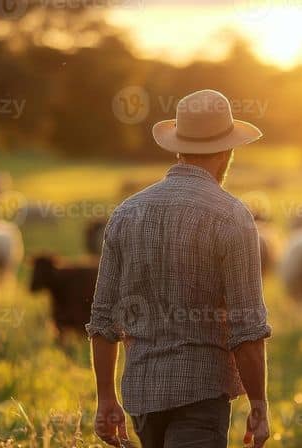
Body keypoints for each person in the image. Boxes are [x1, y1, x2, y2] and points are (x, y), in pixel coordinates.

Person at [87, 89, 272, 448]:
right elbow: (247, 329)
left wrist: (106, 398)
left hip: (141, 397)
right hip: (201, 395)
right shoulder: (232, 217)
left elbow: (103, 318)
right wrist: (259, 403)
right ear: (228, 152)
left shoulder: (126, 213)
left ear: (178, 147)